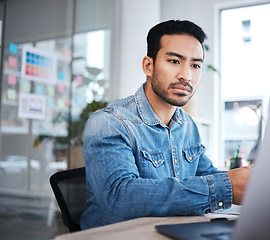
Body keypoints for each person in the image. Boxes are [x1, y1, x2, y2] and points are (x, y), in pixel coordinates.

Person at [80, 19, 252, 230]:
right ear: (148, 66)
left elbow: (207, 175)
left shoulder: (186, 124)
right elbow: (121, 199)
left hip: (172, 231)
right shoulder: (109, 123)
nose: (186, 75)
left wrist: (249, 180)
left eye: (195, 65)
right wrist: (226, 186)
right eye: (174, 61)